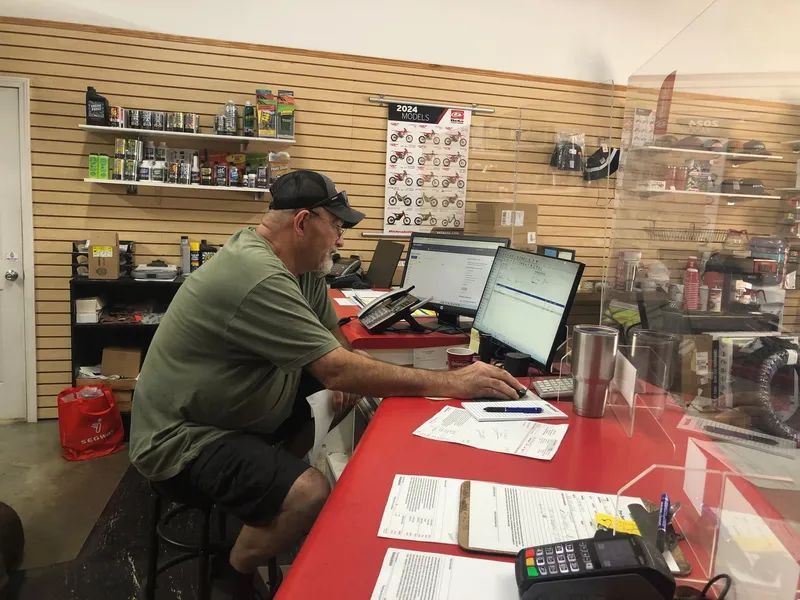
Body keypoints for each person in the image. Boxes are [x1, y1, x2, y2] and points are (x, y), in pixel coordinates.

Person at [129, 169, 523, 598]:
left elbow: (338, 350)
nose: (340, 239)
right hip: (182, 438)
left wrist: (360, 372)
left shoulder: (302, 270)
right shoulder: (257, 275)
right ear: (302, 222)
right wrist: (452, 383)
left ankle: (265, 499)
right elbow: (337, 369)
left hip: (228, 408)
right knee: (309, 491)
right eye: (336, 226)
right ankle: (233, 570)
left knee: (349, 391)